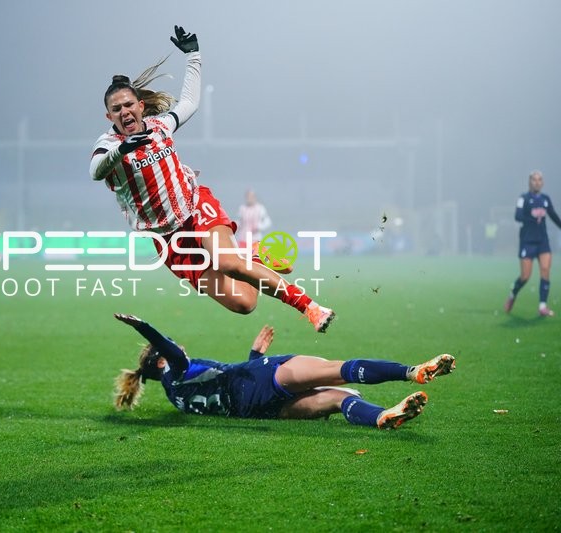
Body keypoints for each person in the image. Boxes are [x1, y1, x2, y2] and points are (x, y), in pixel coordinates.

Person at [89, 26, 334, 333]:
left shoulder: (159, 126)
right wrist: (121, 151)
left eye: (128, 105)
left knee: (229, 265)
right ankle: (251, 254)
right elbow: (96, 170)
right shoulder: (109, 144)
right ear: (109, 116)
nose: (124, 112)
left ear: (140, 106)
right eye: (116, 109)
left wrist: (194, 56)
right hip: (170, 241)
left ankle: (310, 307)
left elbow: (189, 103)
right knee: (245, 303)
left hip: (195, 209)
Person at [112, 313, 455, 430]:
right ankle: (413, 372)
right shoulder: (176, 370)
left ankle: (383, 416)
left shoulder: (176, 396)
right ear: (161, 362)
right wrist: (144, 327)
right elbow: (172, 350)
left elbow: (222, 386)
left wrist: (252, 354)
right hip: (258, 378)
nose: (179, 347)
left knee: (338, 399)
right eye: (170, 349)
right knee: (337, 372)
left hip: (254, 410)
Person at [504, 170, 561, 316]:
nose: (537, 182)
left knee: (545, 270)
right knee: (525, 276)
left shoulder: (545, 199)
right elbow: (517, 216)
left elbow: (553, 215)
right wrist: (531, 216)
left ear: (542, 182)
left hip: (543, 241)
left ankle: (542, 306)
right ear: (529, 182)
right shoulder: (523, 198)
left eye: (539, 179)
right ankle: (513, 294)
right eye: (534, 179)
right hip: (527, 241)